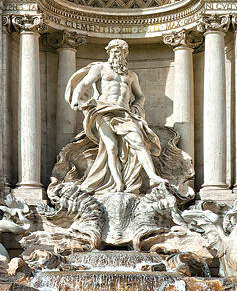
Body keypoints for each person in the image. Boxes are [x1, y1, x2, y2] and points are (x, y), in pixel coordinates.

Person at [63, 39, 165, 194]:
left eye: (120, 51)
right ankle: (118, 184)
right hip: (104, 110)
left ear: (125, 54)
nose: (116, 54)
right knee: (111, 148)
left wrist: (137, 107)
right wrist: (75, 99)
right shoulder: (100, 68)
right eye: (113, 50)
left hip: (124, 113)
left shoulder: (131, 75)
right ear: (108, 52)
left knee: (138, 141)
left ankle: (152, 176)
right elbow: (84, 84)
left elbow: (140, 96)